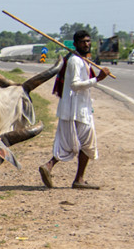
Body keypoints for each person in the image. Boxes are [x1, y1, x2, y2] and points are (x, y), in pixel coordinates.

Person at [39, 30, 112, 190]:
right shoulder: (75, 61)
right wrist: (97, 79)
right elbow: (74, 85)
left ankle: (49, 166)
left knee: (72, 143)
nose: (86, 44)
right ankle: (78, 179)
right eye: (83, 42)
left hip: (79, 108)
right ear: (76, 44)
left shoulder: (82, 60)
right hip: (76, 110)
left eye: (88, 41)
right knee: (87, 143)